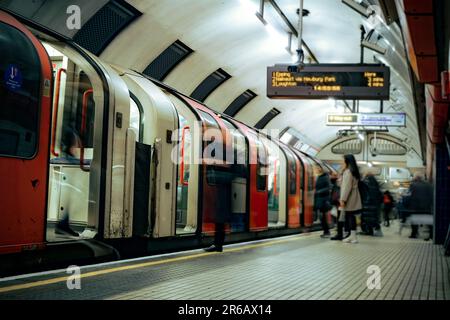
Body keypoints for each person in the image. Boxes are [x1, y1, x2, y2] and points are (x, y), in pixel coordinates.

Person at [55, 125, 82, 237]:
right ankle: (63, 224)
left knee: (68, 197)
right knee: (70, 197)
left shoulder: (67, 132)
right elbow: (72, 148)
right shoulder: (72, 133)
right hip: (70, 162)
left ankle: (63, 224)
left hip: (69, 161)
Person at [204, 165, 233, 252]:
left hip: (224, 196)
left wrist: (218, 174)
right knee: (219, 221)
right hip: (222, 195)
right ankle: (217, 245)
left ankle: (218, 245)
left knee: (220, 221)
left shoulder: (230, 163)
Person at [339, 154, 363, 244]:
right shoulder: (353, 172)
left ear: (347, 162)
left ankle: (353, 237)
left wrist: (343, 199)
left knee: (350, 216)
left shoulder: (348, 172)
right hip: (354, 196)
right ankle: (352, 236)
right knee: (351, 216)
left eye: (343, 161)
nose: (342, 163)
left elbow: (346, 187)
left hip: (349, 197)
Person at [408, 173, 433, 240]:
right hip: (426, 206)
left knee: (414, 221)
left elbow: (410, 195)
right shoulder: (428, 185)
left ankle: (414, 234)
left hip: (416, 206)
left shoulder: (413, 185)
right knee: (428, 221)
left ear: (416, 178)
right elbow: (431, 195)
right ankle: (432, 235)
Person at [314, 171, 332, 238]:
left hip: (324, 201)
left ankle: (327, 232)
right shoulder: (320, 177)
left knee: (323, 217)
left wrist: (318, 192)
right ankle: (326, 232)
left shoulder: (325, 178)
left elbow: (328, 188)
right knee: (322, 217)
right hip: (321, 200)